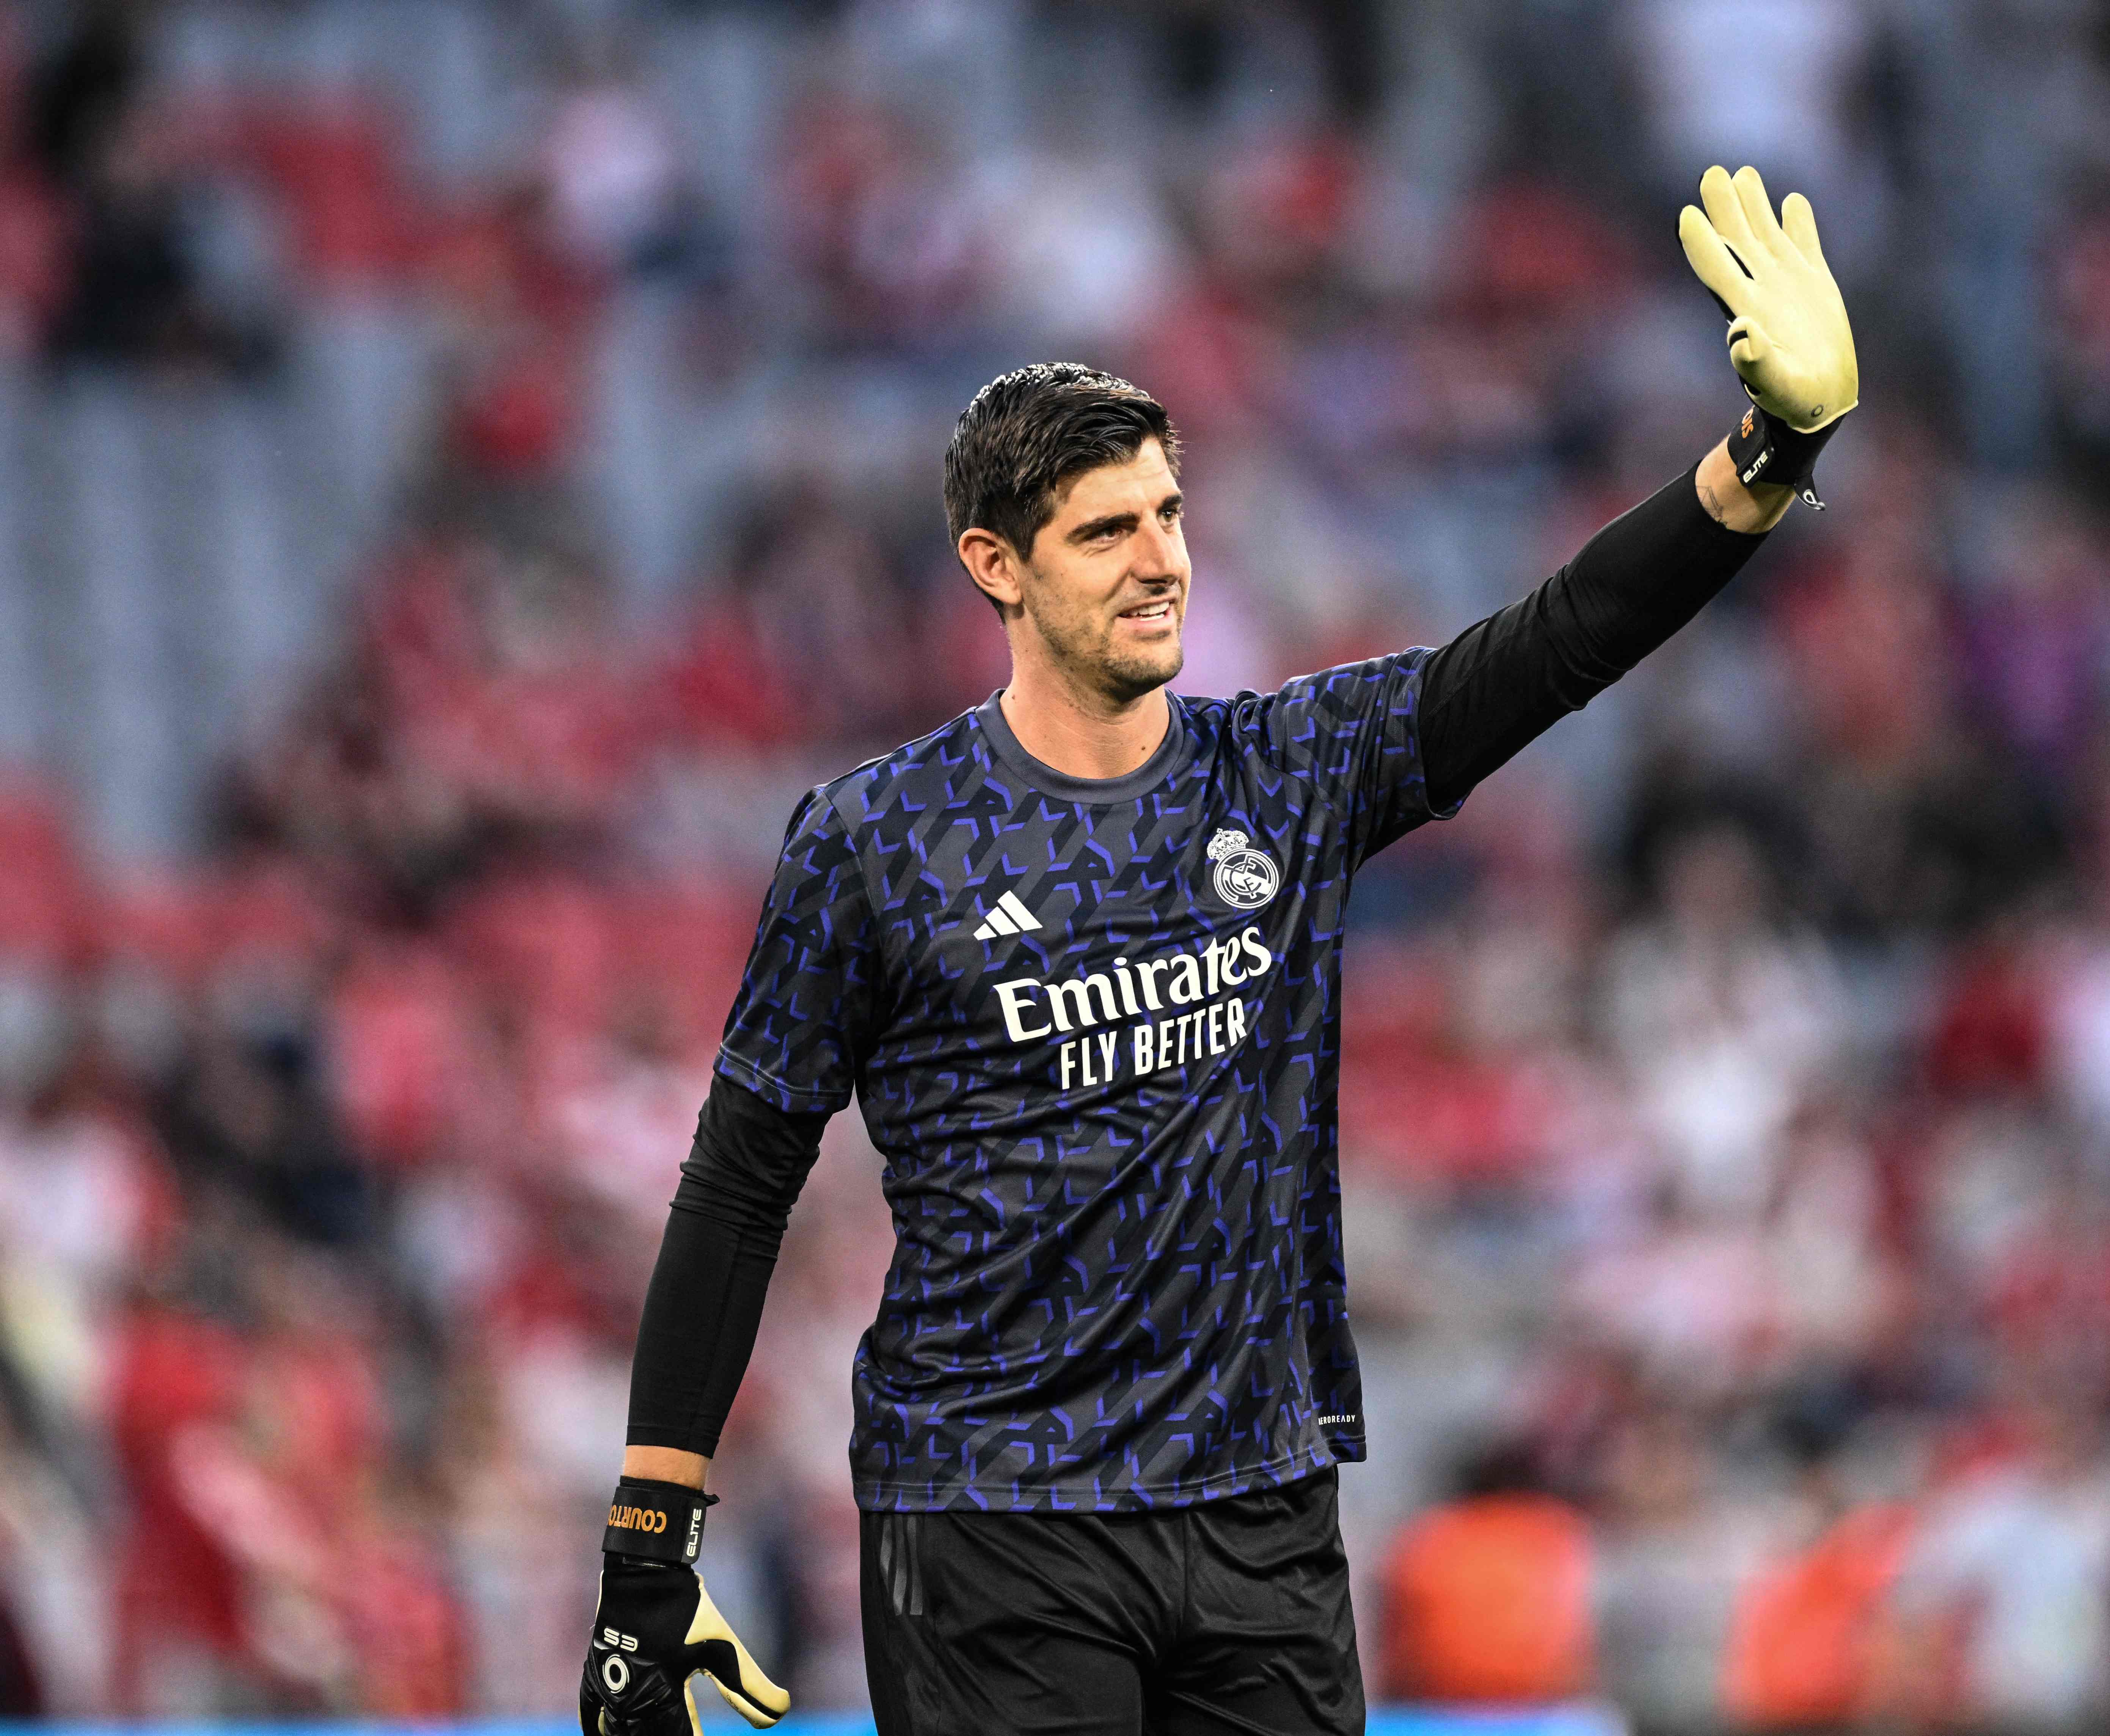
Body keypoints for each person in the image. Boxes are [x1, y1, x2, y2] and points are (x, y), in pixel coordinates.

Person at [576, 163, 1858, 1736]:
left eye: (1169, 515)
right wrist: (649, 1549)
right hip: (994, 1520)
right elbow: (737, 1182)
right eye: (1105, 530)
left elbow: (1555, 640)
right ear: (995, 565)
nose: (1161, 558)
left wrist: (1764, 458)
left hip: (1259, 1516)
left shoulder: (1285, 771)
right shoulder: (876, 839)